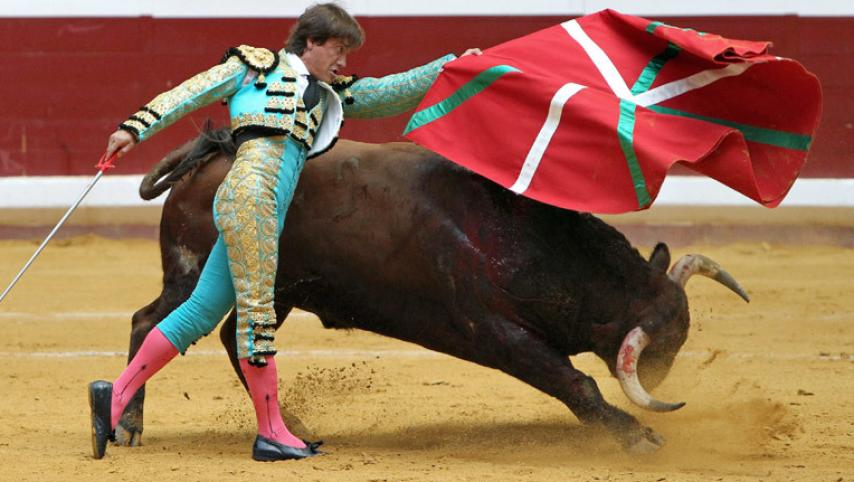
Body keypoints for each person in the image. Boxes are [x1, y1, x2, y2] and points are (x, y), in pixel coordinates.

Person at [88, 3, 481, 462]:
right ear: (310, 42)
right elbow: (188, 94)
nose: (343, 62)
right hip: (252, 198)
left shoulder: (331, 91)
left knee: (199, 312)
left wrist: (449, 66)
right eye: (338, 49)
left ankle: (112, 399)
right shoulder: (255, 66)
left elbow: (388, 91)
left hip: (262, 205)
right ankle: (271, 432)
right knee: (257, 317)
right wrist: (132, 130)